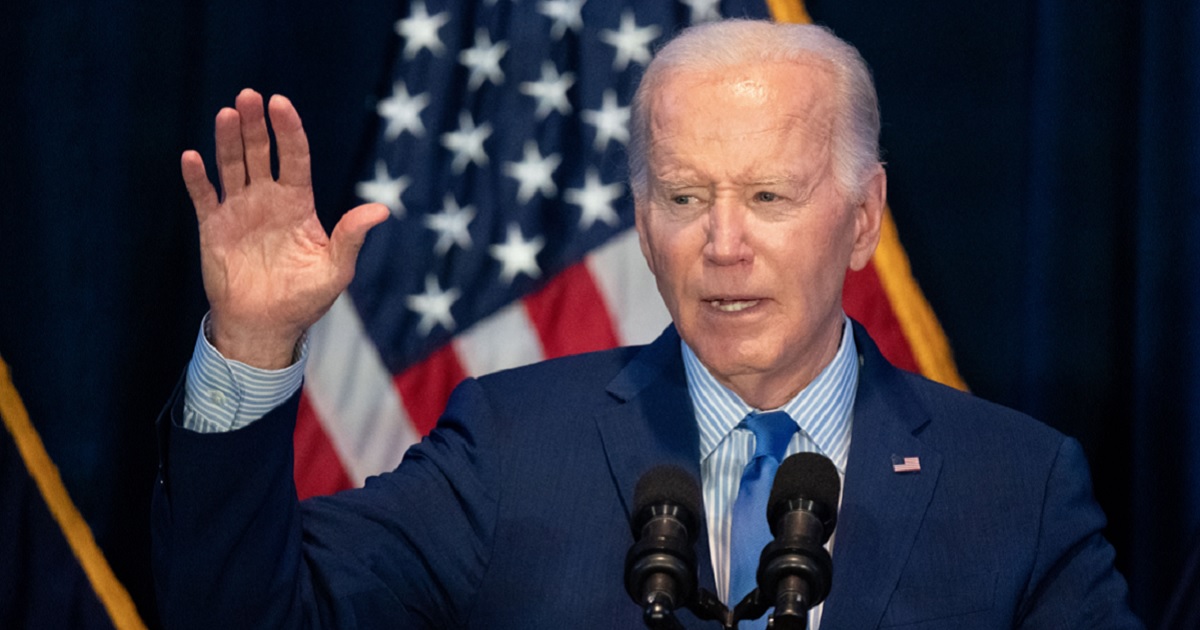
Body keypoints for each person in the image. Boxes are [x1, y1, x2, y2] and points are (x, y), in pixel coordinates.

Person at [153, 19, 1142, 629]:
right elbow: (239, 616)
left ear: (863, 218)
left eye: (767, 195)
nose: (722, 244)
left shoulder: (1017, 486)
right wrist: (252, 344)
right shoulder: (510, 449)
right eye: (681, 196)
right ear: (640, 221)